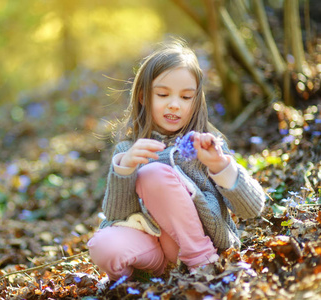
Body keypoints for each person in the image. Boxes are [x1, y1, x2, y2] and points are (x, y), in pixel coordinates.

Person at [87, 38, 265, 281]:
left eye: (185, 97)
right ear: (142, 97)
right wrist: (125, 169)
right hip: (155, 251)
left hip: (202, 244)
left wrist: (219, 166)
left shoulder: (205, 145)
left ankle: (203, 264)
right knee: (102, 244)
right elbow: (117, 216)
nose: (174, 105)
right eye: (162, 94)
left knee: (153, 174)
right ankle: (142, 282)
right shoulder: (129, 149)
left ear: (196, 101)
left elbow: (252, 209)